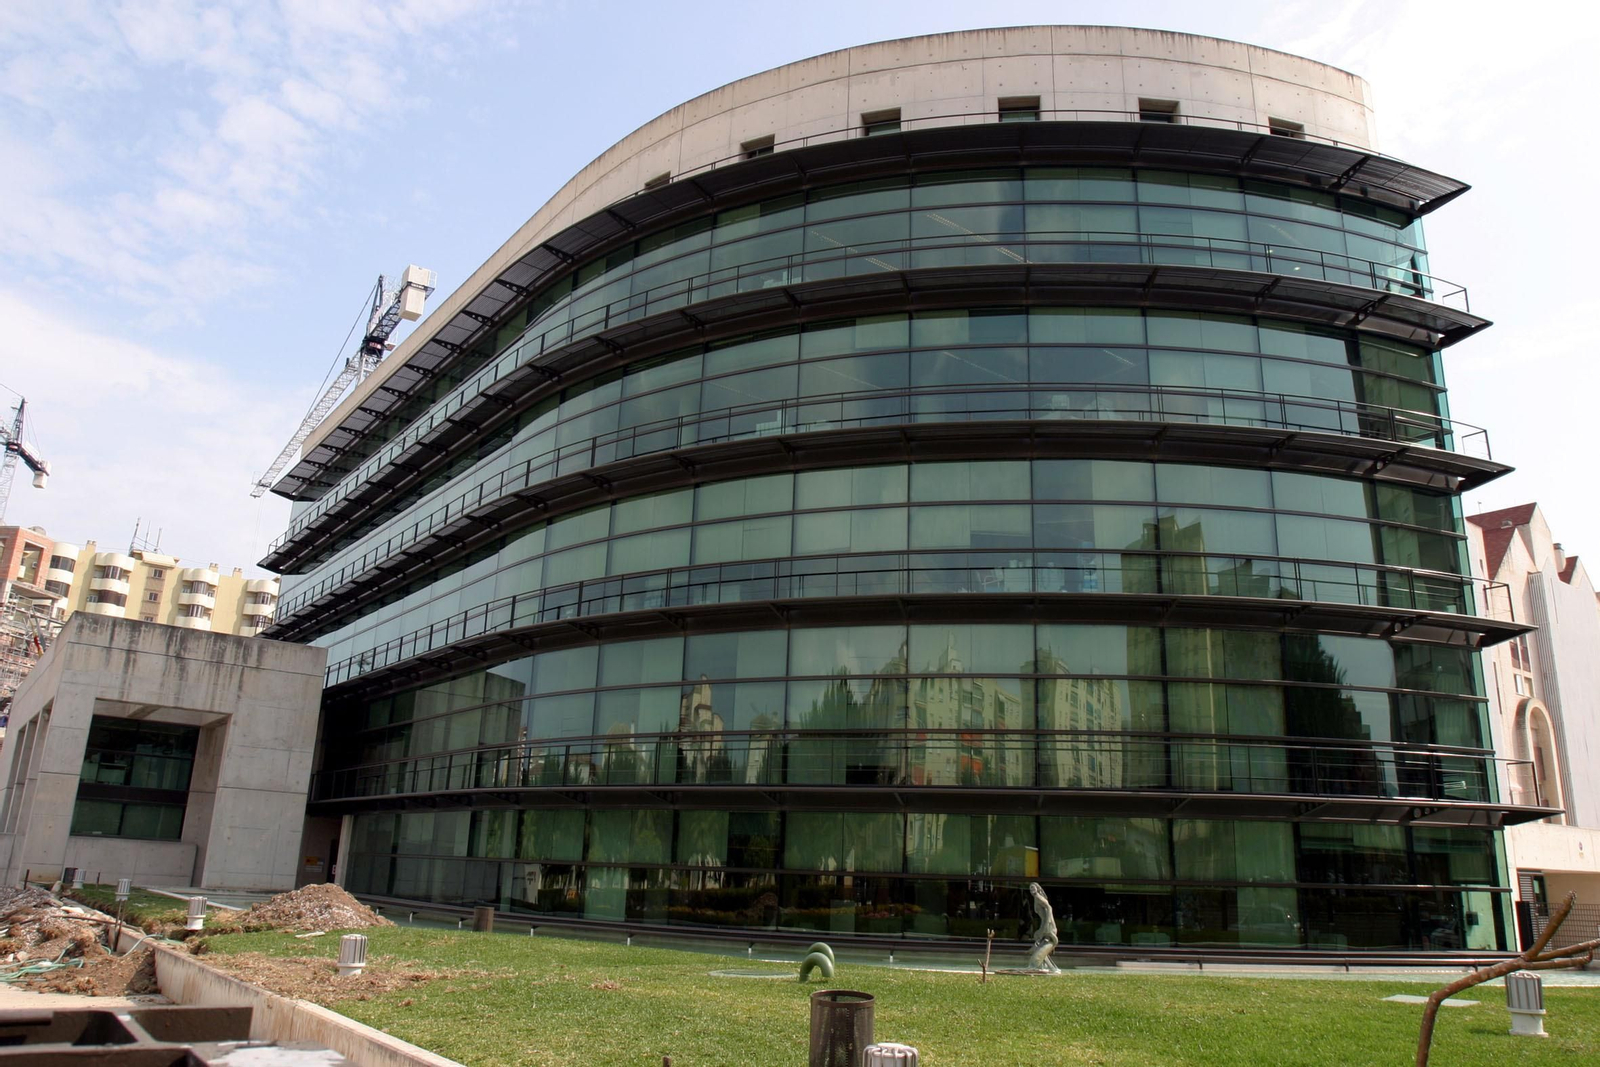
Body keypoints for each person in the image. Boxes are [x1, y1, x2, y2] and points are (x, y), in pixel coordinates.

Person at [1026, 882, 1060, 973]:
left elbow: (1049, 908)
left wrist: (1045, 926)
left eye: (1033, 887)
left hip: (1048, 926)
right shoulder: (1036, 898)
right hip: (1045, 924)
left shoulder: (1038, 897)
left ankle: (1047, 967)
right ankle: (1050, 968)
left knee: (1041, 947)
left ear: (1037, 888)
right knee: (1041, 947)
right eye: (1030, 888)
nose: (1032, 890)